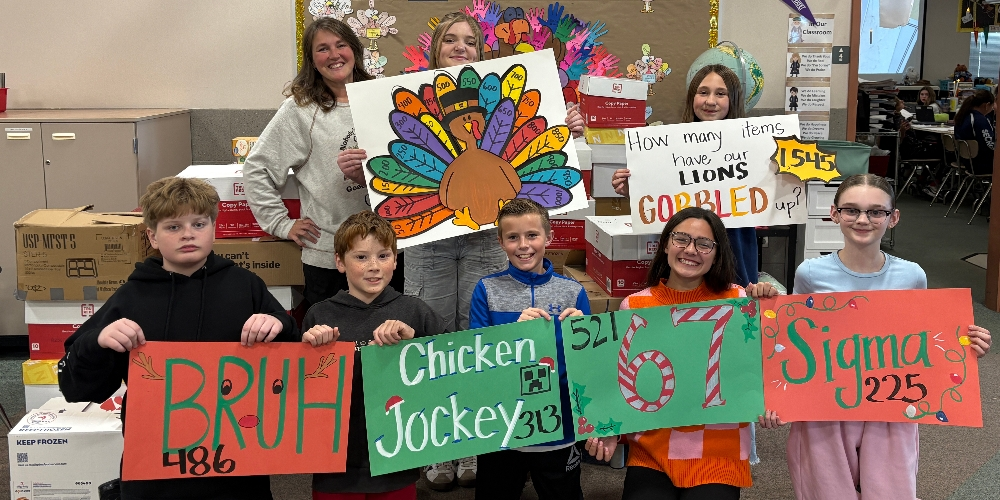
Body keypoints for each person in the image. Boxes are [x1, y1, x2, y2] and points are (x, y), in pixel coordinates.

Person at [336, 11, 586, 489]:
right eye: (450, 40)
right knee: (432, 339)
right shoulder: (397, 99)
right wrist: (359, 168)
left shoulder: (499, 95)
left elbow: (533, 147)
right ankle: (437, 445)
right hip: (426, 240)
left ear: (481, 49)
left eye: (469, 40)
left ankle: (474, 439)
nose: (460, 47)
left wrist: (565, 125)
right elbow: (393, 170)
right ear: (435, 49)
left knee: (481, 342)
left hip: (489, 236)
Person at [58, 177, 298, 500]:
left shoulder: (246, 287)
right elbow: (77, 387)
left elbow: (293, 363)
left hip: (236, 470)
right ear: (152, 236)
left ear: (214, 227)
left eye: (198, 223)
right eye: (173, 227)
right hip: (156, 472)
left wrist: (278, 326)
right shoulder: (130, 299)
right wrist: (98, 340)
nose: (188, 233)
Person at [758, 174, 992, 500]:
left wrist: (966, 344)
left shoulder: (911, 275)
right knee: (827, 489)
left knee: (889, 489)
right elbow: (793, 342)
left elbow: (924, 340)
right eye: (851, 210)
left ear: (892, 218)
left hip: (891, 404)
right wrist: (780, 399)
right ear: (834, 214)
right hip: (826, 406)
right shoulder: (810, 273)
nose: (863, 220)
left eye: (876, 211)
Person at [583, 207, 777, 500]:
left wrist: (770, 307)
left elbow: (770, 358)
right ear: (665, 244)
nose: (691, 250)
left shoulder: (739, 301)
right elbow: (621, 384)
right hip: (652, 450)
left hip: (719, 453)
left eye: (704, 244)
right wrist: (610, 429)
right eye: (681, 239)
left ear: (716, 253)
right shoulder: (634, 307)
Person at [243, 18, 403, 310]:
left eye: (341, 45)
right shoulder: (301, 109)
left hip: (389, 252)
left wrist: (366, 176)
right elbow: (257, 169)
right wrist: (281, 223)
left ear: (354, 50)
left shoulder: (384, 97)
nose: (334, 55)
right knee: (333, 347)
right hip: (330, 257)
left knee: (389, 341)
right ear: (312, 60)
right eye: (322, 49)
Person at [301, 210, 447, 500]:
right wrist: (309, 351)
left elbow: (449, 373)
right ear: (340, 262)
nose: (373, 267)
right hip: (336, 465)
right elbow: (299, 391)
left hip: (397, 461)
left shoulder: (415, 312)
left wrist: (414, 343)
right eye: (361, 257)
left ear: (395, 259)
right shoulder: (319, 314)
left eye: (383, 256)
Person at [467, 199, 590, 500]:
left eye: (532, 235)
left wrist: (586, 334)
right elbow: (477, 360)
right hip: (502, 427)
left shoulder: (573, 292)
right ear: (500, 242)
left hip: (559, 426)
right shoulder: (486, 289)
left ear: (549, 237)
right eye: (512, 237)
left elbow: (587, 364)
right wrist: (514, 337)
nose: (523, 245)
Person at [611, 64, 760, 287]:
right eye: (703, 92)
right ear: (692, 98)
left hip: (734, 253)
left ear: (733, 100)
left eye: (721, 93)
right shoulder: (667, 147)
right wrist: (634, 192)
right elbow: (660, 208)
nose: (711, 101)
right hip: (684, 259)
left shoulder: (754, 148)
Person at [954, 89, 996, 175]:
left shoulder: (962, 116)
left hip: (967, 162)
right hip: (981, 165)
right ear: (987, 105)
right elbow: (991, 145)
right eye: (992, 107)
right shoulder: (981, 120)